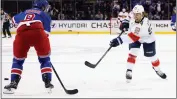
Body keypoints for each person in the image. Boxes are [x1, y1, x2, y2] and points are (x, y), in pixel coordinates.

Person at [3, 0, 53, 94]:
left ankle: (13, 83)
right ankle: (47, 82)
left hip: (22, 33)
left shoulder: (25, 11)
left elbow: (13, 20)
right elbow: (46, 33)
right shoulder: (44, 14)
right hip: (38, 31)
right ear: (42, 6)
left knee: (17, 61)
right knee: (45, 59)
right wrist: (42, 50)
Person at [109, 5, 167, 82]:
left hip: (148, 39)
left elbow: (132, 37)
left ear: (142, 14)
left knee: (152, 57)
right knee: (133, 52)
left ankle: (157, 69)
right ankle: (129, 70)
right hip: (136, 36)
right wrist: (124, 23)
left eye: (138, 14)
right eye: (134, 14)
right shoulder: (132, 15)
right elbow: (127, 19)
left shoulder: (143, 25)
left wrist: (119, 40)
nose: (135, 16)